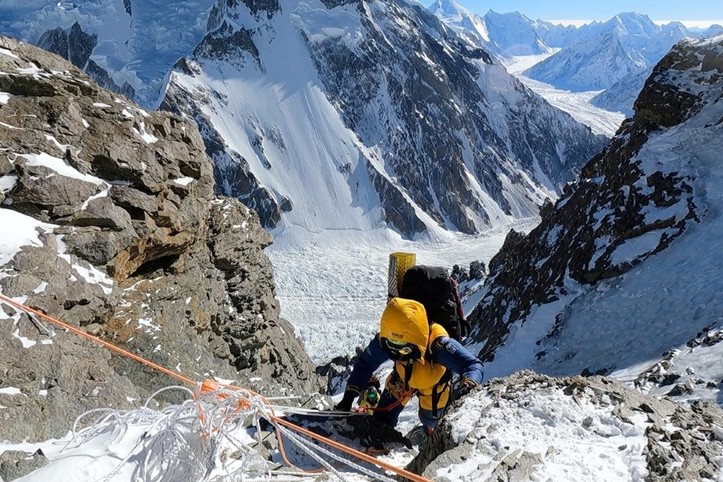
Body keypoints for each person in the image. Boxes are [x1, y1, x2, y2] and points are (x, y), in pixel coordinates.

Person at [335, 297, 484, 433]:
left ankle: (428, 431)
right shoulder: (386, 340)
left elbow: (472, 364)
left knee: (430, 420)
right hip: (407, 378)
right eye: (391, 348)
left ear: (417, 340)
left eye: (403, 349)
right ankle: (422, 433)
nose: (396, 354)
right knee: (382, 419)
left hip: (431, 385)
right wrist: (349, 396)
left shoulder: (438, 344)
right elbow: (365, 364)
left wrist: (469, 384)